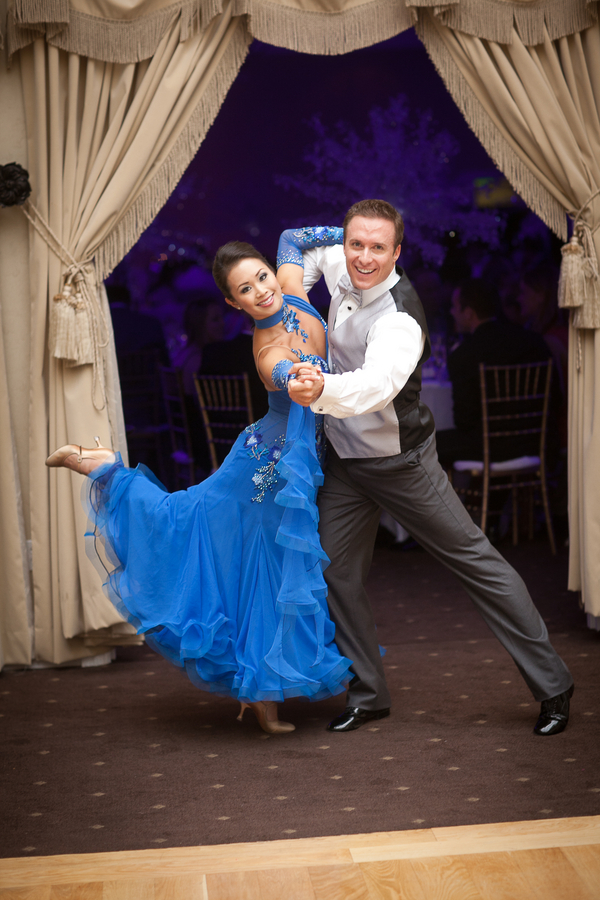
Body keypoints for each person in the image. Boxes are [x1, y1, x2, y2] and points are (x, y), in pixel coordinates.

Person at [277, 200, 574, 737]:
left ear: (397, 252)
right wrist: (294, 307)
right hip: (347, 463)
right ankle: (369, 694)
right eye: (355, 244)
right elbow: (296, 244)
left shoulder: (400, 319)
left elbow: (376, 386)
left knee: (476, 563)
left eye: (377, 247)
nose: (363, 257)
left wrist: (319, 387)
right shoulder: (343, 262)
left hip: (401, 463)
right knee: (333, 571)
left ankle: (554, 684)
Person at [46, 240, 352, 735]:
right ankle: (106, 469)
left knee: (263, 573)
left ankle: (260, 698)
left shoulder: (293, 293)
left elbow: (294, 238)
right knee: (238, 560)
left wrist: (350, 243)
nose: (260, 291)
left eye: (262, 277)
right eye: (244, 290)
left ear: (275, 274)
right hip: (266, 474)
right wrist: (297, 373)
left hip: (284, 468)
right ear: (234, 304)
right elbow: (283, 373)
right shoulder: (267, 348)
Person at [435, 278, 552, 467]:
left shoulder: (465, 355)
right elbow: (556, 397)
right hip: (536, 442)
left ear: (469, 313)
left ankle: (452, 497)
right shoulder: (533, 342)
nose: (451, 312)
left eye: (455, 307)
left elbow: (463, 421)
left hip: (488, 447)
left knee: (419, 444)